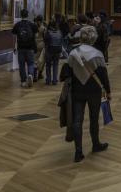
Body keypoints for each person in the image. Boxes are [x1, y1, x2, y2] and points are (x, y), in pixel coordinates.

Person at [62, 26, 111, 162]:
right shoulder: (98, 54)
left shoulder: (73, 52)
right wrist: (108, 91)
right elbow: (103, 75)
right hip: (94, 90)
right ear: (93, 38)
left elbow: (65, 73)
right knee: (94, 118)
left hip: (77, 90)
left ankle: (78, 151)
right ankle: (95, 144)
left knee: (77, 120)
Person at [12, 9, 38, 88]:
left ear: (21, 15)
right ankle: (30, 74)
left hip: (21, 48)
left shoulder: (17, 25)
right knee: (30, 63)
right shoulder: (32, 25)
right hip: (30, 48)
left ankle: (23, 81)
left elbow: (14, 36)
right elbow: (36, 36)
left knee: (22, 65)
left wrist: (15, 47)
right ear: (27, 15)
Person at [44, 19, 64, 85]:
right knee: (55, 65)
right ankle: (55, 80)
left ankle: (48, 80)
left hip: (49, 50)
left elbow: (45, 41)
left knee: (48, 65)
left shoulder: (48, 32)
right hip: (57, 50)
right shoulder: (60, 32)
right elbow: (61, 41)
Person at [34, 15, 47, 81]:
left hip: (35, 44)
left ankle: (34, 74)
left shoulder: (34, 27)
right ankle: (40, 74)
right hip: (41, 44)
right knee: (42, 60)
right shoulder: (43, 28)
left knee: (35, 59)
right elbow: (45, 37)